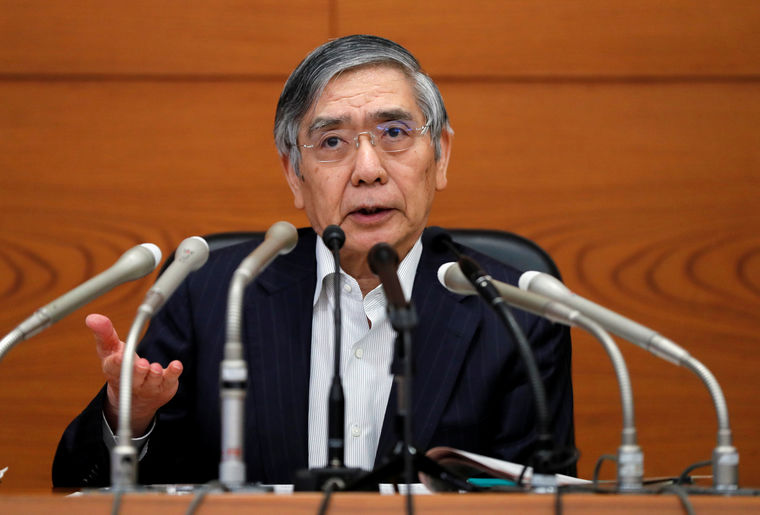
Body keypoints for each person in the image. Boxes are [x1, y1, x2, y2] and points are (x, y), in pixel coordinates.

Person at [52, 34, 574, 487]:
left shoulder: (516, 313)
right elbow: (83, 488)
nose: (368, 170)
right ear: (294, 174)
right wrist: (131, 415)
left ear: (441, 156)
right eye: (332, 142)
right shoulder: (211, 294)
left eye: (394, 133)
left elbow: (539, 498)